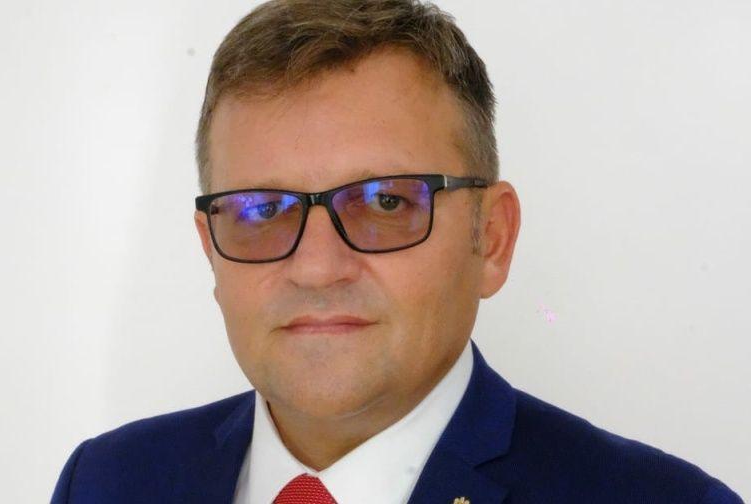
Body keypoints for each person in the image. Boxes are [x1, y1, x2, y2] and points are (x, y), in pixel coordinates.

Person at [51, 1, 743, 502]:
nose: (316, 268)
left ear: (492, 239)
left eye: (385, 202)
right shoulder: (108, 482)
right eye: (261, 210)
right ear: (211, 252)